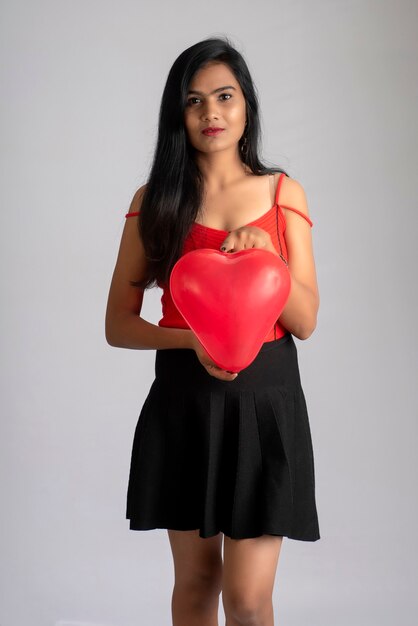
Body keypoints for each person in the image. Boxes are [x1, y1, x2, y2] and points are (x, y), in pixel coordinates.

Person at [105, 36, 320, 626]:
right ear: (179, 115)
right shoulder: (155, 202)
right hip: (185, 402)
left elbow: (305, 320)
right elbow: (117, 325)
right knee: (197, 583)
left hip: (265, 404)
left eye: (224, 96)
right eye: (194, 101)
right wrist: (189, 342)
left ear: (245, 105)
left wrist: (269, 260)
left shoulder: (282, 194)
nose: (211, 113)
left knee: (248, 599)